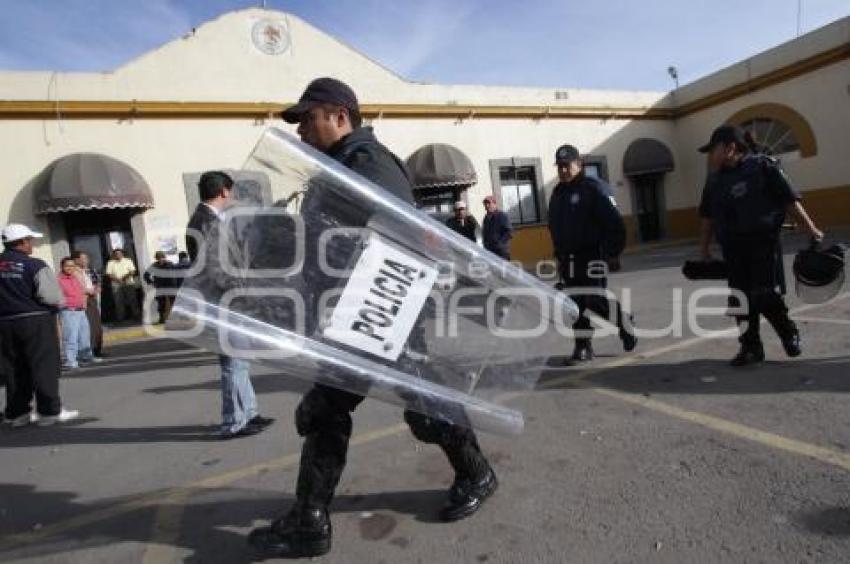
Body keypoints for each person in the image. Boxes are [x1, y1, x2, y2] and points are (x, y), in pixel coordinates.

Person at [248, 77, 497, 558]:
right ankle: (310, 518)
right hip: (355, 314)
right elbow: (331, 240)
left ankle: (475, 472)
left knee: (414, 408)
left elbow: (399, 244)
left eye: (307, 118)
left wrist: (365, 318)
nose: (300, 129)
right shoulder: (339, 167)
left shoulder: (369, 163)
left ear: (339, 115)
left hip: (381, 315)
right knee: (337, 410)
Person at [697, 125, 823, 366]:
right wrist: (703, 249)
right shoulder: (713, 181)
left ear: (731, 148)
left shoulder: (763, 167)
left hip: (763, 244)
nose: (711, 156)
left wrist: (812, 229)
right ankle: (751, 347)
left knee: (764, 295)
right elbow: (707, 218)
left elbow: (789, 201)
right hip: (733, 249)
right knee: (740, 300)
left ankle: (789, 333)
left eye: (714, 150)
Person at [186, 170, 274, 439]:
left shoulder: (210, 219)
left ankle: (249, 413)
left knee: (241, 361)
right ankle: (234, 421)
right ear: (224, 191)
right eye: (232, 191)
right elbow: (216, 268)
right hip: (224, 302)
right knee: (233, 363)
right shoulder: (205, 222)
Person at [548, 144, 637, 362]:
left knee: (593, 299)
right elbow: (555, 226)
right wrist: (559, 255)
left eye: (567, 166)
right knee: (575, 304)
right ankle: (583, 346)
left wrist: (612, 253)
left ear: (579, 164)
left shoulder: (593, 189)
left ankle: (623, 323)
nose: (563, 171)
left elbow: (615, 223)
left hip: (592, 255)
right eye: (559, 167)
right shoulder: (558, 193)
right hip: (568, 258)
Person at [0, 224, 78, 427]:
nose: (32, 244)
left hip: (4, 323)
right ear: (22, 242)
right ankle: (49, 411)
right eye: (30, 240)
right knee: (43, 365)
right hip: (35, 319)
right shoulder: (35, 265)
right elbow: (51, 296)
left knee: (14, 368)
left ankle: (17, 413)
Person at [57, 257, 99, 370]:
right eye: (67, 266)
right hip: (69, 311)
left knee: (84, 335)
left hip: (80, 310)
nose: (70, 268)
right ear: (62, 267)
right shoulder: (59, 280)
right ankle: (70, 361)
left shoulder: (75, 278)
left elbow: (82, 291)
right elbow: (57, 297)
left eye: (72, 266)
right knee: (71, 337)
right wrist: (64, 305)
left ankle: (85, 357)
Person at [71, 250, 104, 359]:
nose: (86, 260)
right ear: (76, 260)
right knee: (91, 326)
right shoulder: (74, 272)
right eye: (83, 258)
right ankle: (91, 351)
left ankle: (97, 349)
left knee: (97, 325)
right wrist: (91, 291)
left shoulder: (85, 271)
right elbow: (79, 287)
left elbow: (94, 282)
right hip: (85, 299)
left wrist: (96, 288)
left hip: (92, 299)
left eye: (86, 258)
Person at [105, 249, 140, 322]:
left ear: (122, 254)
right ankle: (121, 318)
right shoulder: (111, 263)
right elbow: (109, 274)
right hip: (116, 284)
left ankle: (136, 316)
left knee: (132, 300)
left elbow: (132, 271)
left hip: (128, 283)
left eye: (119, 253)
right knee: (118, 301)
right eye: (116, 254)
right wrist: (118, 280)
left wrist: (124, 278)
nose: (118, 255)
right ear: (114, 255)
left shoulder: (128, 261)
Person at [143, 251, 177, 324]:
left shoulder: (170, 264)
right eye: (159, 258)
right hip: (160, 286)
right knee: (161, 303)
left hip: (171, 286)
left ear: (164, 257)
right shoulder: (154, 266)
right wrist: (152, 282)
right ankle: (162, 318)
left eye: (162, 257)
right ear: (157, 258)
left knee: (173, 302)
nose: (161, 259)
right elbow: (146, 275)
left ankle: (174, 318)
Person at [481, 195, 512, 259]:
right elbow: (485, 233)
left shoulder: (502, 215)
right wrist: (485, 244)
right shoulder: (486, 218)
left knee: (503, 268)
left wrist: (499, 244)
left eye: (489, 203)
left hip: (501, 252)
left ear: (494, 204)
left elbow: (509, 232)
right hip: (490, 251)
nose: (487, 205)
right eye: (485, 204)